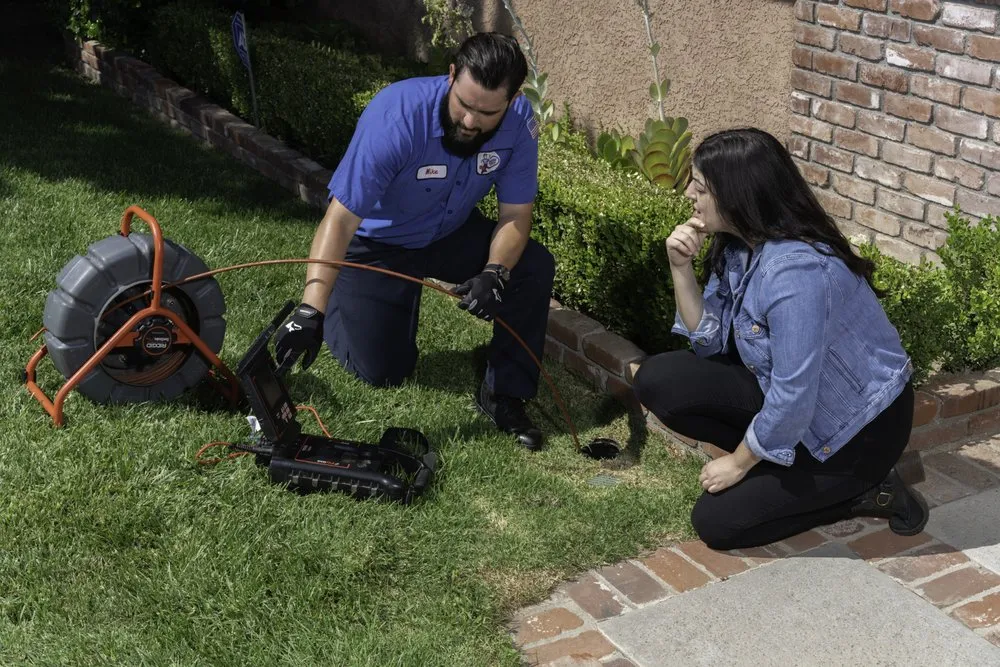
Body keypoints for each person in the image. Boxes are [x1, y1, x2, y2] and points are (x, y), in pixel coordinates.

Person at [632, 128, 928, 551]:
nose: (688, 195)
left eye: (699, 187)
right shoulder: (741, 245)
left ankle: (869, 491)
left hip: (854, 436)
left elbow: (794, 396)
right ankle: (778, 463)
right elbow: (709, 344)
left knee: (717, 524)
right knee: (658, 380)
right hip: (799, 410)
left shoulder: (795, 275)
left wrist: (737, 463)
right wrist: (680, 268)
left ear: (737, 195)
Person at [273, 32, 555, 450]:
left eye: (487, 112)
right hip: (379, 243)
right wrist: (310, 309)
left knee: (532, 265)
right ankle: (337, 309)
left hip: (449, 231)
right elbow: (340, 221)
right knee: (384, 371)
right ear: (452, 74)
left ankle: (504, 394)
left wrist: (495, 273)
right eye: (465, 104)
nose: (471, 122)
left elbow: (515, 216)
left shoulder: (519, 124)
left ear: (512, 101)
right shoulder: (396, 116)